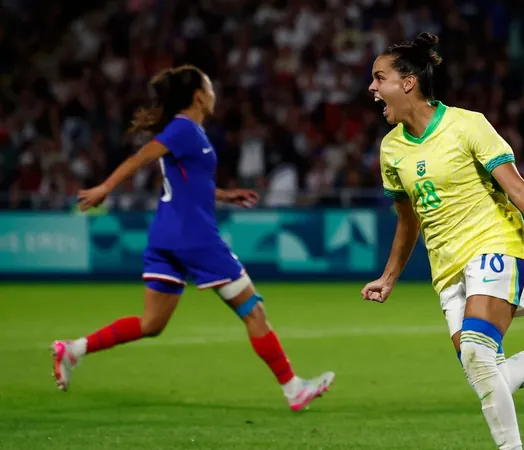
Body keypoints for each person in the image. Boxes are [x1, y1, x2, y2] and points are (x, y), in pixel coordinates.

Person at [361, 33, 524, 450]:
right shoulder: (391, 150)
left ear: (407, 83)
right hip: (447, 270)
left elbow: (514, 185)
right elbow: (408, 221)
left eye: (378, 77)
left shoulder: (467, 124)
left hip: (496, 246)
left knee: (478, 357)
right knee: (486, 373)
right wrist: (389, 277)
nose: (371, 87)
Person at [51, 65, 334, 411]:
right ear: (199, 95)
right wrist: (106, 188)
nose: (214, 93)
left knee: (151, 323)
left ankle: (74, 349)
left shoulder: (192, 133)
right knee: (253, 311)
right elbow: (144, 155)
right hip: (194, 238)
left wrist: (225, 195)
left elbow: (191, 185)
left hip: (165, 236)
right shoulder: (184, 129)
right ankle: (294, 390)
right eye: (210, 86)